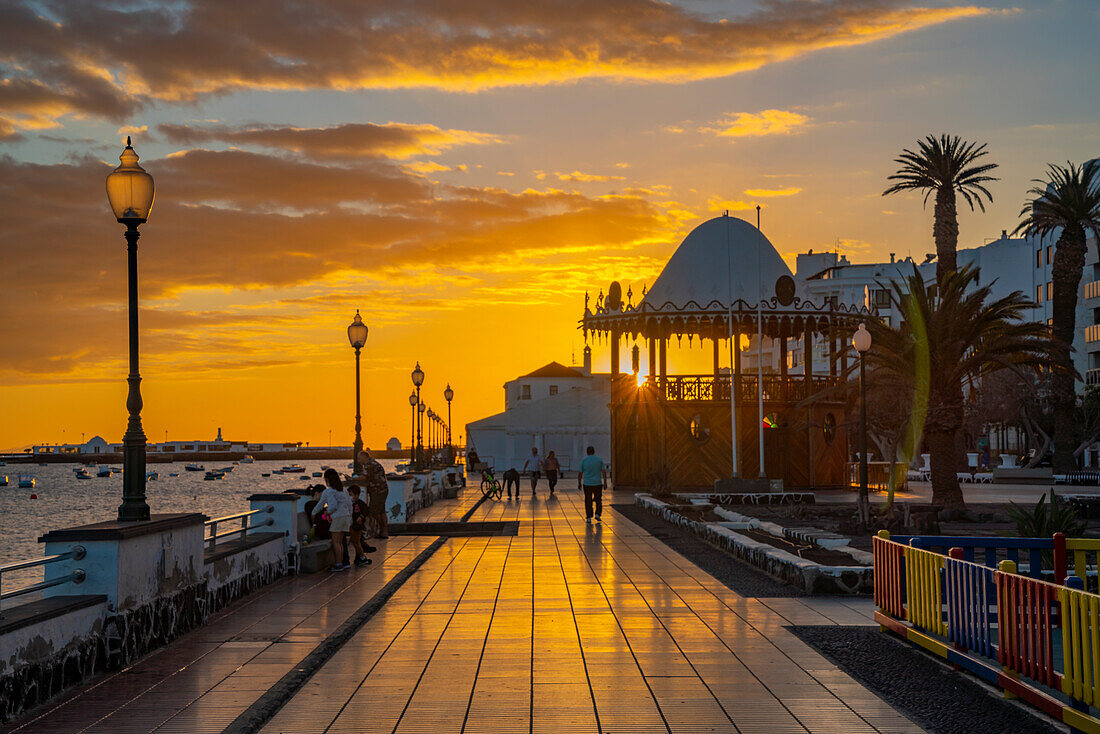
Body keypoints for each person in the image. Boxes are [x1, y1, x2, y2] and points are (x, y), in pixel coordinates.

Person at [313, 469, 353, 570]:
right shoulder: (343, 490)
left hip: (338, 518)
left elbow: (326, 505)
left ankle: (338, 564)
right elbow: (349, 504)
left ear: (327, 479)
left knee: (336, 542)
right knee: (340, 543)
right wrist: (349, 516)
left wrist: (317, 512)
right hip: (345, 517)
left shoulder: (329, 491)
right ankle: (343, 563)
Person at [360, 449, 390, 539]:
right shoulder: (374, 463)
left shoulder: (368, 465)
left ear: (364, 457)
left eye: (359, 458)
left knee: (374, 512)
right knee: (381, 511)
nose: (358, 460)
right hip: (383, 489)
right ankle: (384, 531)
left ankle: (382, 529)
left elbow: (364, 478)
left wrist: (352, 479)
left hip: (377, 491)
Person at [578, 446, 608, 524]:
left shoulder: (584, 460)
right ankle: (598, 514)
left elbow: (580, 472)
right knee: (598, 499)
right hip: (597, 483)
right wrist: (605, 482)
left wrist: (579, 482)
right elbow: (604, 472)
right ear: (594, 451)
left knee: (588, 500)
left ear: (587, 452)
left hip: (587, 483)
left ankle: (589, 516)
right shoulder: (599, 460)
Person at [347, 485, 374, 566]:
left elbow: (366, 511)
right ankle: (358, 558)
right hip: (353, 525)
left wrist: (361, 517)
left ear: (357, 495)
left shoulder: (360, 503)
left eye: (351, 495)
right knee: (355, 542)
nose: (350, 497)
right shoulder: (350, 504)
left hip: (357, 526)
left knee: (356, 542)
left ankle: (362, 558)